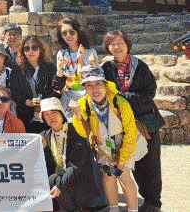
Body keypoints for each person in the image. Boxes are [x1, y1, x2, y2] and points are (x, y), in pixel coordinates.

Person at [101, 30, 164, 212]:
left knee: (150, 164)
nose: (117, 47)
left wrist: (123, 98)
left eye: (120, 43)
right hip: (120, 124)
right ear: (108, 47)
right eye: (112, 44)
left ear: (127, 45)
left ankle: (153, 203)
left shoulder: (140, 67)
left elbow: (149, 93)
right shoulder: (107, 68)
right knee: (129, 164)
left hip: (145, 122)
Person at [71, 65, 146, 212]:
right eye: (89, 85)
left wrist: (122, 158)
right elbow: (83, 133)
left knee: (124, 175)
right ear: (85, 88)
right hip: (103, 144)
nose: (95, 89)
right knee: (108, 176)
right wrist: (78, 116)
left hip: (125, 142)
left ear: (106, 85)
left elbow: (130, 133)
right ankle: (114, 209)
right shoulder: (83, 104)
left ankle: (133, 210)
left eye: (98, 84)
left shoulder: (120, 103)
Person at [39, 97, 98, 212]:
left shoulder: (76, 131)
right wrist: (44, 149)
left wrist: (59, 185)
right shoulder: (45, 135)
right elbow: (47, 165)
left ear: (62, 114)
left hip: (78, 180)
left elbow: (76, 166)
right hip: (59, 178)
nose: (50, 117)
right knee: (51, 179)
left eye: (54, 113)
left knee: (58, 183)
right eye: (46, 114)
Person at [53, 17, 98, 120]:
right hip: (68, 101)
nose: (68, 36)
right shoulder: (61, 54)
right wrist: (60, 69)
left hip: (87, 99)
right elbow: (58, 83)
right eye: (64, 33)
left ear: (78, 33)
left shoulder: (90, 52)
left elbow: (96, 78)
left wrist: (81, 61)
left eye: (72, 32)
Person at [12, 36, 58, 133]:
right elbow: (14, 92)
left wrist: (43, 101)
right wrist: (27, 102)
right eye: (27, 48)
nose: (30, 51)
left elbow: (55, 90)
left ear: (40, 49)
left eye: (34, 47)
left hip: (47, 115)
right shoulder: (17, 69)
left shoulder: (50, 68)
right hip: (26, 117)